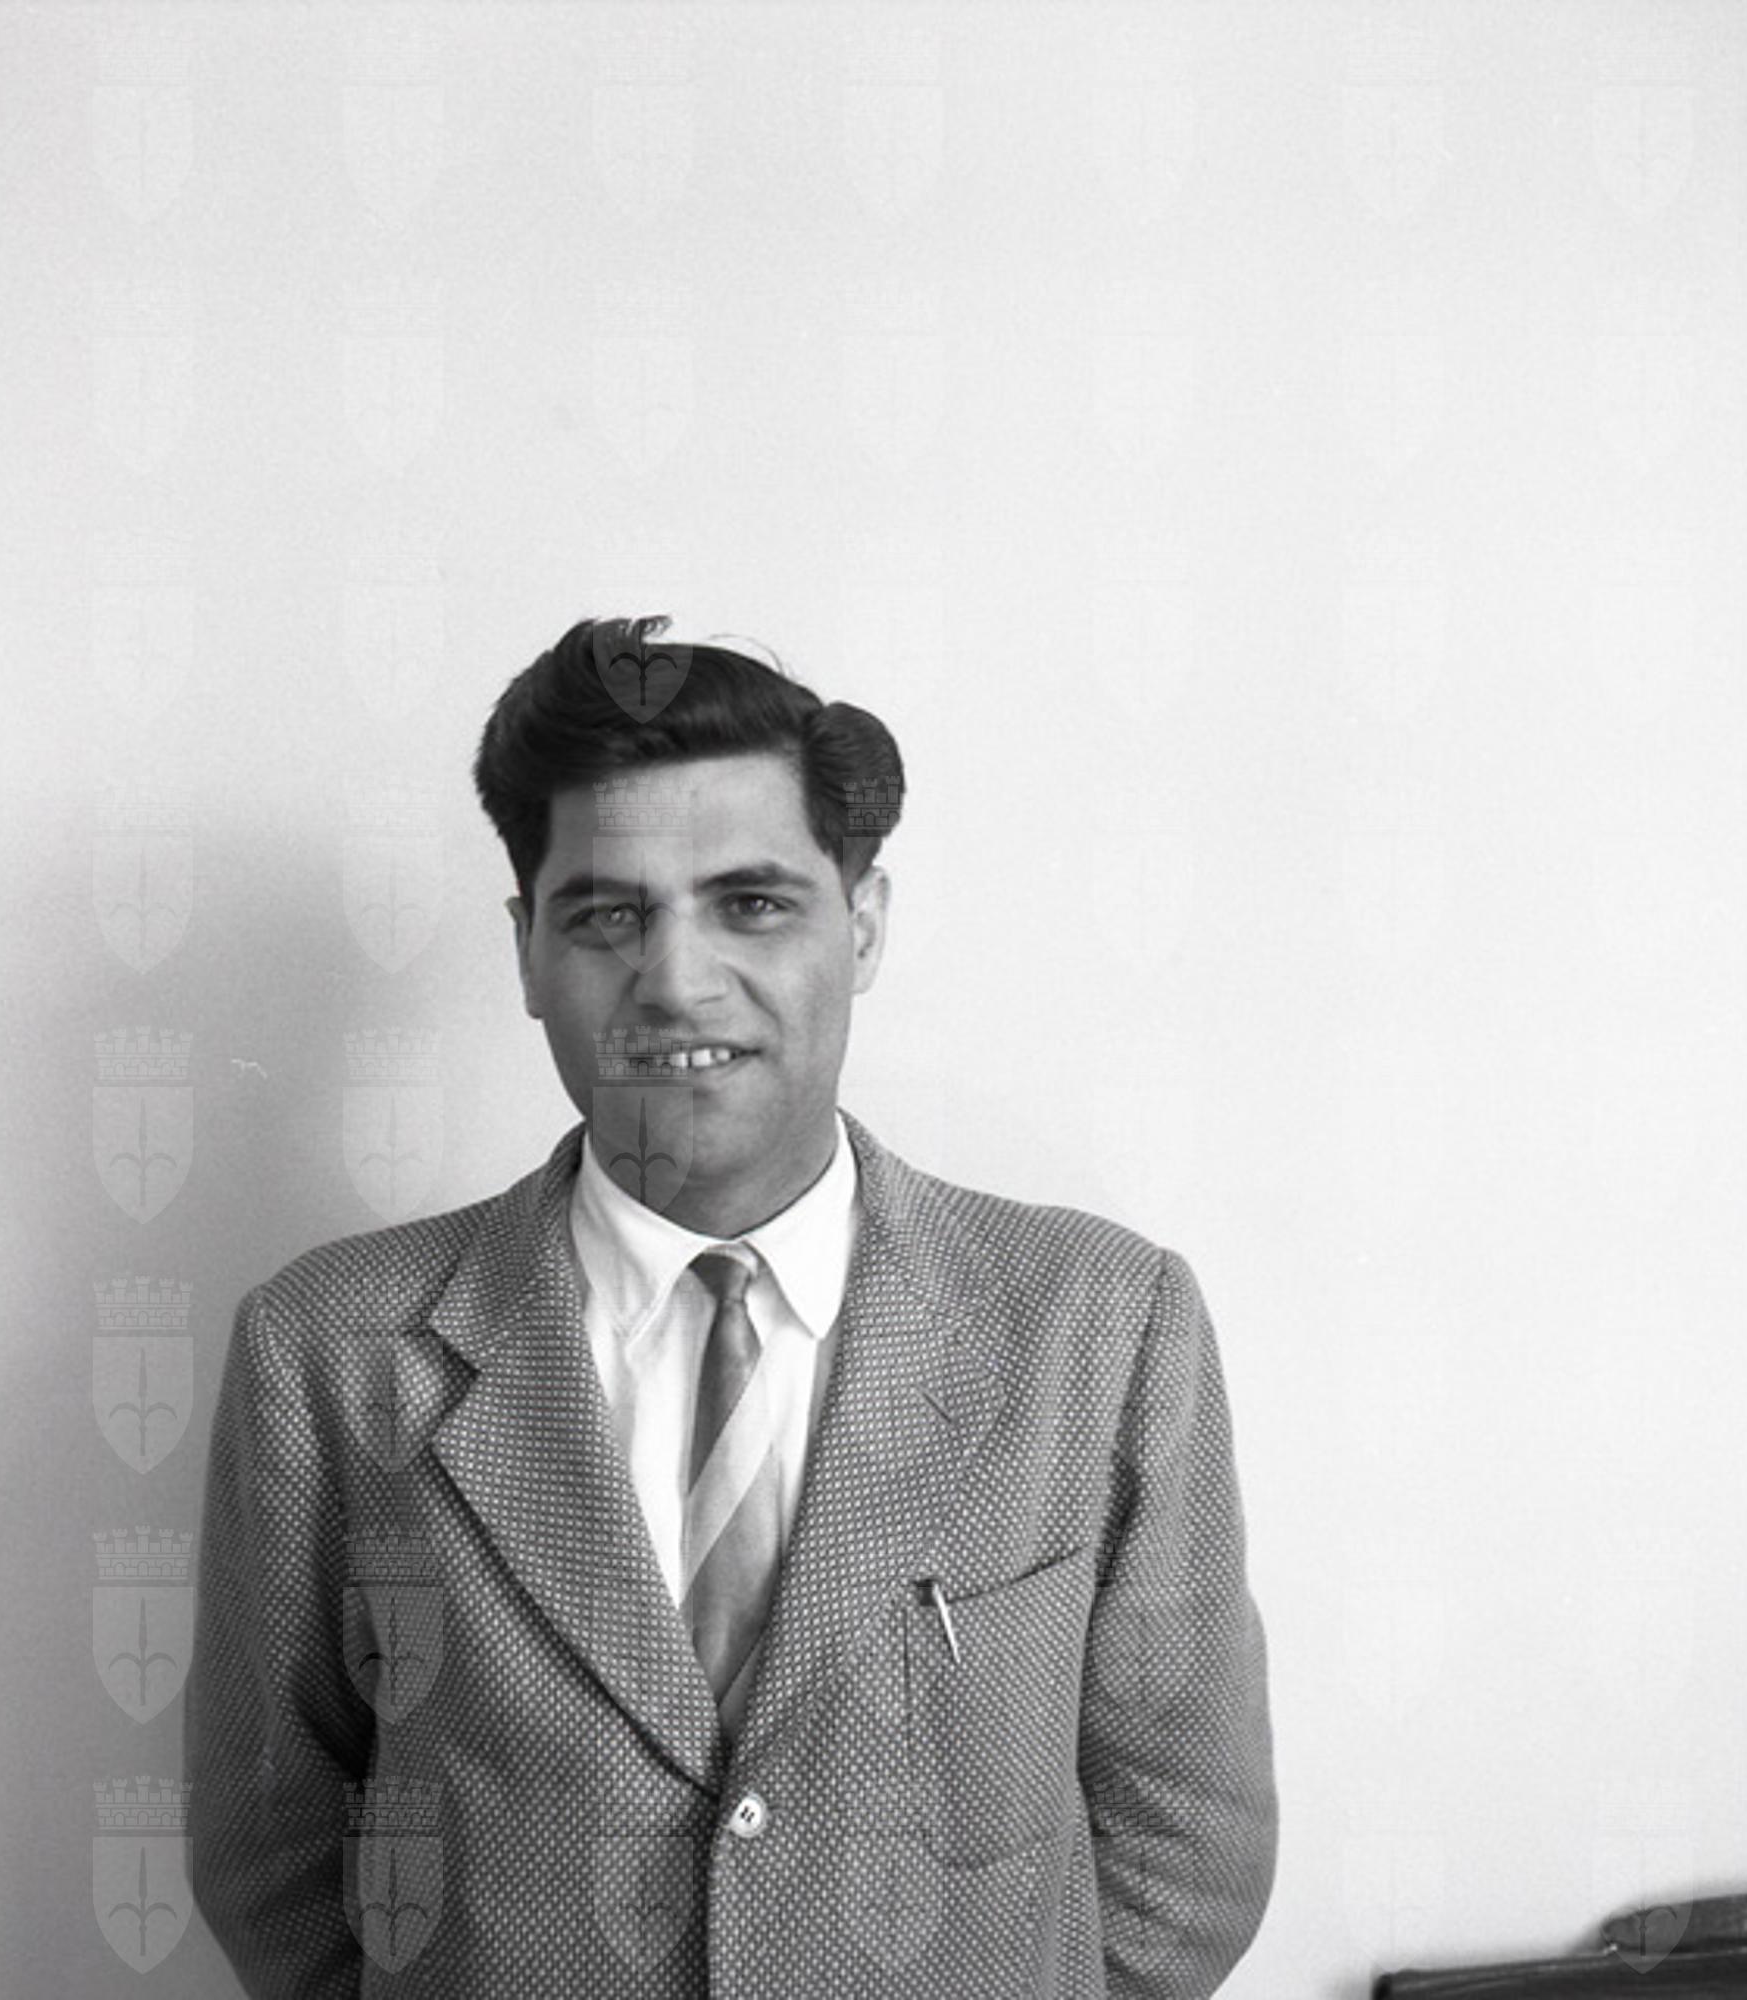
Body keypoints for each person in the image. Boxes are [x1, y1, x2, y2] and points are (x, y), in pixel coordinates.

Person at [184, 613, 1277, 1998]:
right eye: (608, 915)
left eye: (751, 903)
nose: (678, 982)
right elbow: (272, 1851)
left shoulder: (1103, 1327)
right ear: (528, 952)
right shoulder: (329, 1353)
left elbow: (1185, 1852)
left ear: (862, 925)